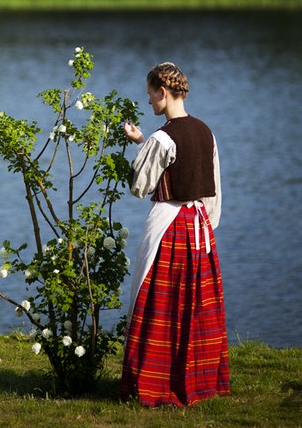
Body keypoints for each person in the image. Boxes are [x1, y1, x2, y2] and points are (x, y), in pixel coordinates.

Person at [120, 61, 230, 408]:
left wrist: (140, 146)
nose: (150, 101)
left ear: (163, 93)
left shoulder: (163, 137)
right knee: (195, 306)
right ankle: (199, 382)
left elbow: (141, 186)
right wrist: (144, 142)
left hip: (169, 226)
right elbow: (213, 192)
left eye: (151, 94)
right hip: (199, 226)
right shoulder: (205, 131)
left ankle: (155, 384)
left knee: (160, 305)